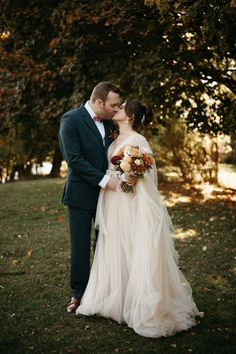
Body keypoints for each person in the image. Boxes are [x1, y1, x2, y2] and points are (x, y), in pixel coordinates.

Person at [76, 100, 204, 338]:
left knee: (134, 247)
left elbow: (146, 176)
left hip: (131, 203)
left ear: (130, 116)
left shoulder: (138, 140)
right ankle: (118, 298)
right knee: (115, 245)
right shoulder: (114, 139)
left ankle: (143, 303)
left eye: (122, 108)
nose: (117, 109)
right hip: (113, 201)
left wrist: (133, 176)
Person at [59, 82, 127, 313]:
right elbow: (75, 160)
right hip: (80, 195)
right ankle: (78, 294)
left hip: (107, 198)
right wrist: (105, 181)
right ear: (99, 102)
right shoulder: (71, 120)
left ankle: (101, 291)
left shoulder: (110, 123)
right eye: (113, 105)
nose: (116, 109)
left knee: (104, 244)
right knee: (80, 247)